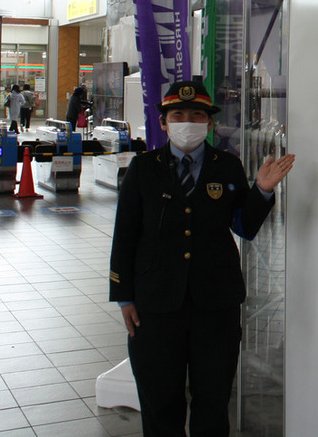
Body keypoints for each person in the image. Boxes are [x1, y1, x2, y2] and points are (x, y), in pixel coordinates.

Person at [109, 80, 295, 436]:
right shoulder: (143, 169)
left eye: (197, 115)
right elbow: (125, 235)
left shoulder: (226, 166)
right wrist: (124, 297)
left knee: (212, 402)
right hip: (156, 305)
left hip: (216, 305)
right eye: (178, 114)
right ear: (164, 122)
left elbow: (243, 226)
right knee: (160, 403)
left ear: (209, 123)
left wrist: (262, 191)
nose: (188, 121)